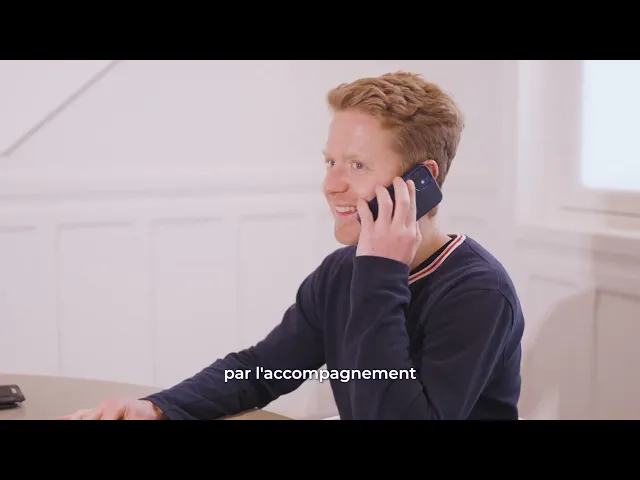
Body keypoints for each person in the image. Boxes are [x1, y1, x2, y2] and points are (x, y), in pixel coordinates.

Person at [58, 71, 524, 420]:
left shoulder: (478, 293)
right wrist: (158, 407)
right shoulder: (343, 271)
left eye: (357, 166)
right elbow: (262, 369)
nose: (332, 185)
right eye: (330, 162)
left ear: (421, 180)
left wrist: (380, 275)